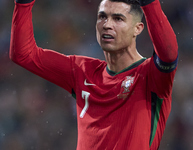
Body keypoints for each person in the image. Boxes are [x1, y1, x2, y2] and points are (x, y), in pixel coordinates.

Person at [10, 0, 178, 149]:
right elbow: (23, 54)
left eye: (118, 19)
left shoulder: (150, 75)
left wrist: (150, 4)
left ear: (138, 29)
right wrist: (23, 3)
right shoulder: (82, 70)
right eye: (102, 17)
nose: (107, 24)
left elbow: (169, 55)